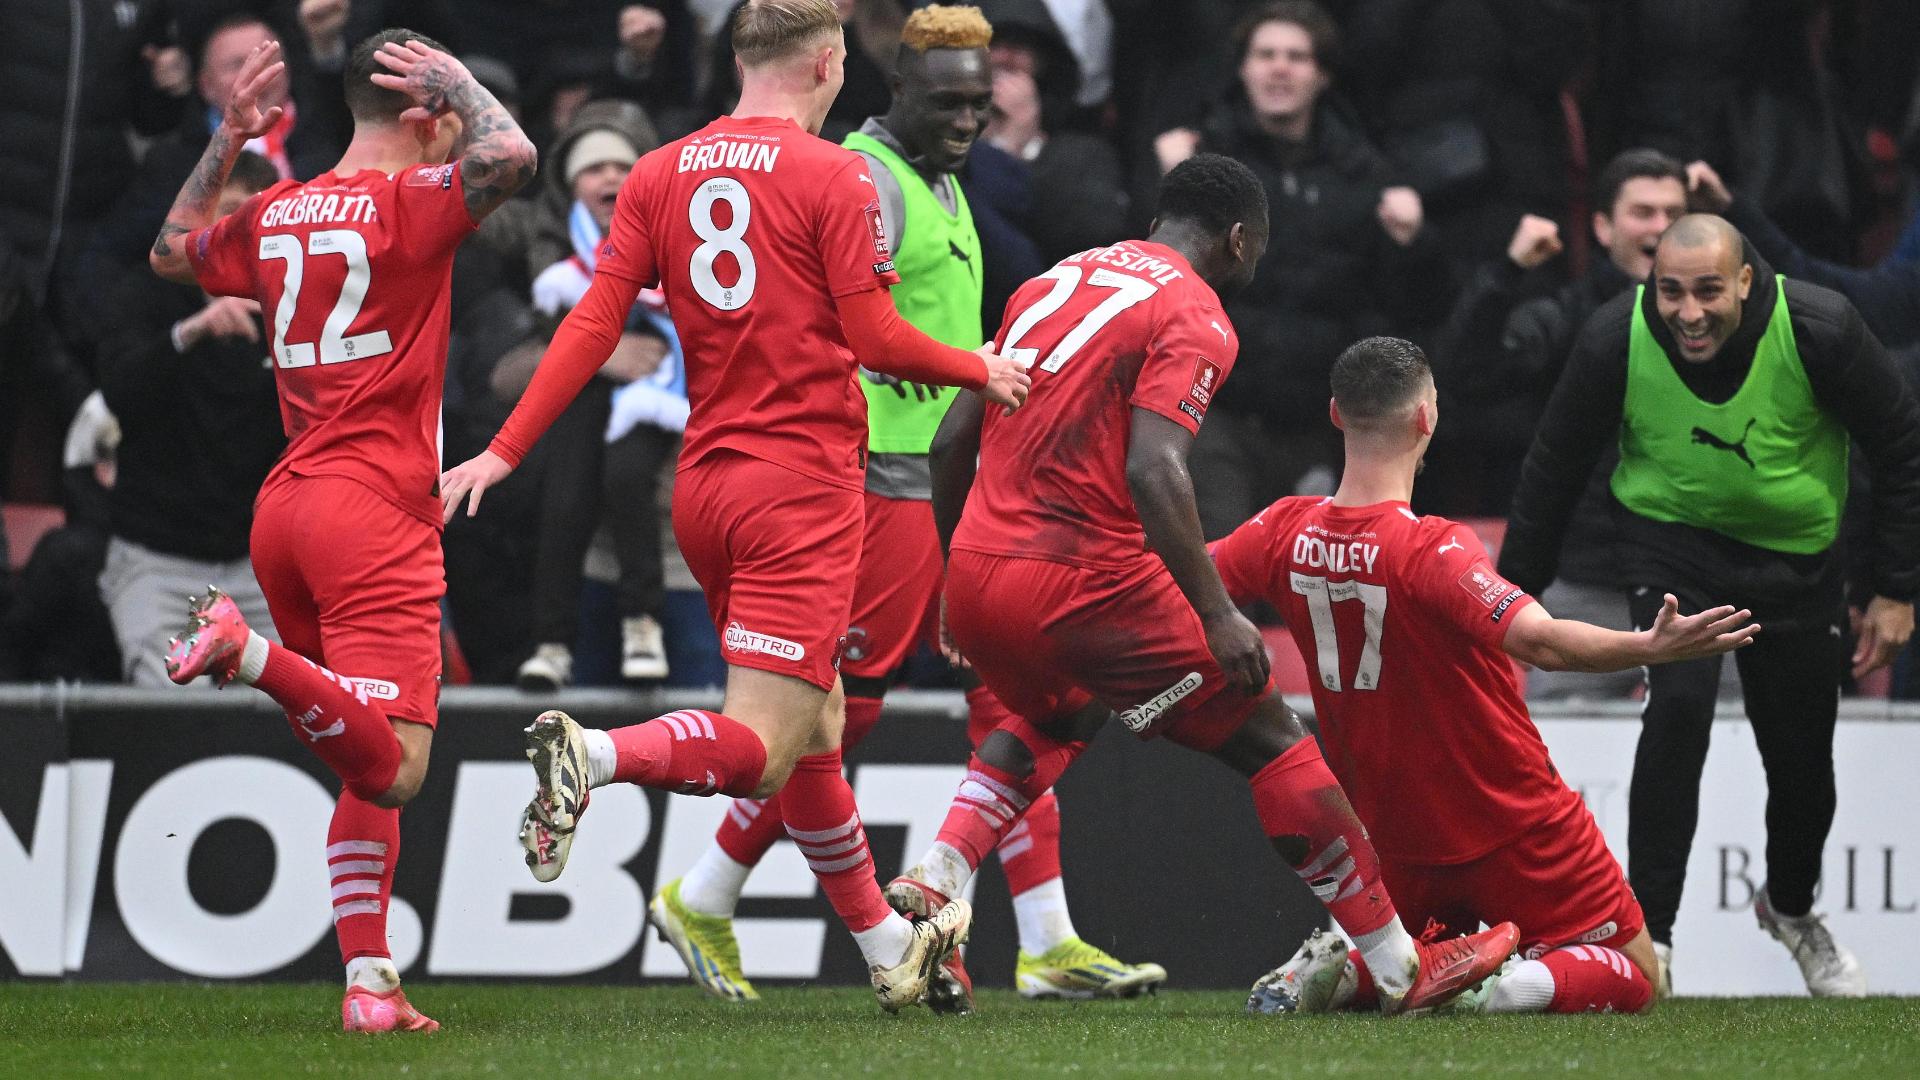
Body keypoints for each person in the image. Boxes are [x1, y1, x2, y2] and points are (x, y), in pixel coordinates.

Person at [436, 0, 1029, 1014]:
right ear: (830, 62)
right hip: (800, 486)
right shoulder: (835, 172)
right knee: (760, 745)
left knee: (820, 727)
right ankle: (596, 756)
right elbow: (877, 338)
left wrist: (501, 447)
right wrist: (979, 367)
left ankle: (889, 947)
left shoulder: (662, 169)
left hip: (706, 487)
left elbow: (589, 325)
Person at [889, 152, 1518, 1016]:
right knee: (1274, 740)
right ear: (1236, 237)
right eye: (1257, 248)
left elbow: (950, 439)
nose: (1255, 264)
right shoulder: (1196, 313)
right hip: (1083, 574)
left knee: (1058, 712)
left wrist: (957, 569)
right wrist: (1219, 615)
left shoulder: (1051, 280)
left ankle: (938, 875)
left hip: (985, 568)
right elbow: (1157, 469)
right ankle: (1402, 967)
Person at [645, 4, 1157, 1011]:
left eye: (982, 99)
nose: (971, 118)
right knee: (842, 712)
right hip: (875, 478)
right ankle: (704, 890)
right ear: (896, 92)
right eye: (949, 101)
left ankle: (1048, 941)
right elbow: (853, 324)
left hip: (950, 483)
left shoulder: (942, 177)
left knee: (1011, 700)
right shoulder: (864, 176)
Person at [153, 31, 536, 1031]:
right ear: (425, 115)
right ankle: (248, 654)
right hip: (373, 511)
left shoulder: (275, 208)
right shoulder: (411, 202)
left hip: (286, 510)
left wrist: (228, 139)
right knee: (399, 763)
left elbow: (167, 252)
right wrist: (460, 80)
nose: (459, 122)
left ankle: (370, 985)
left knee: (367, 760)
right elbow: (517, 159)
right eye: (447, 107)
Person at [1223, 337, 1758, 1017]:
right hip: (1511, 817)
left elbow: (1182, 578)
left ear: (1335, 414)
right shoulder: (1432, 549)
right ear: (1427, 418)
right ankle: (1512, 987)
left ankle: (1340, 969)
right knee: (1638, 975)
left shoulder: (1280, 529)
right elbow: (1543, 643)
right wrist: (1650, 645)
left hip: (1397, 831)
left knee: (1405, 963)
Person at [1499, 214, 1920, 997]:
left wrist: (1895, 588)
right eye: (1670, 293)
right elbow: (1554, 465)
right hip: (1671, 551)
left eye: (1707, 293)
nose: (1688, 313)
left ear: (1747, 283)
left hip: (1795, 567)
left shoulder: (1820, 327)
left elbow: (1901, 443)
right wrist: (1509, 601)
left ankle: (1790, 910)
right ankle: (1650, 939)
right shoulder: (1612, 337)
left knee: (1801, 771)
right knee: (1679, 712)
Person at [1153, 1, 1450, 538]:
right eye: (1265, 54)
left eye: (1296, 56)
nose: (1279, 67)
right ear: (1243, 68)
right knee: (1217, 575)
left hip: (1321, 424)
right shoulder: (1198, 167)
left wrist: (1412, 244)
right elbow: (1154, 275)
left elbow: (1408, 307)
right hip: (1218, 412)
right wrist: (1168, 186)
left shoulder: (1365, 175)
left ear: (1322, 75)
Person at [1431, 148, 1690, 698]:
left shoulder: (1729, 324)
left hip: (1695, 581)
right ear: (1601, 225)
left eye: (1675, 214)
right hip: (1589, 582)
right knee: (1553, 757)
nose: (1661, 228)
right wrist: (1508, 271)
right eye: (1643, 212)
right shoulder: (1570, 314)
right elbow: (1467, 373)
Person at [97, 151, 287, 687]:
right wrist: (192, 333)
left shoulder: (297, 311)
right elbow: (119, 391)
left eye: (257, 216)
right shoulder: (145, 296)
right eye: (229, 212)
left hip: (258, 567)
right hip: (157, 560)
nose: (241, 229)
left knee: (291, 713)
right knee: (167, 702)